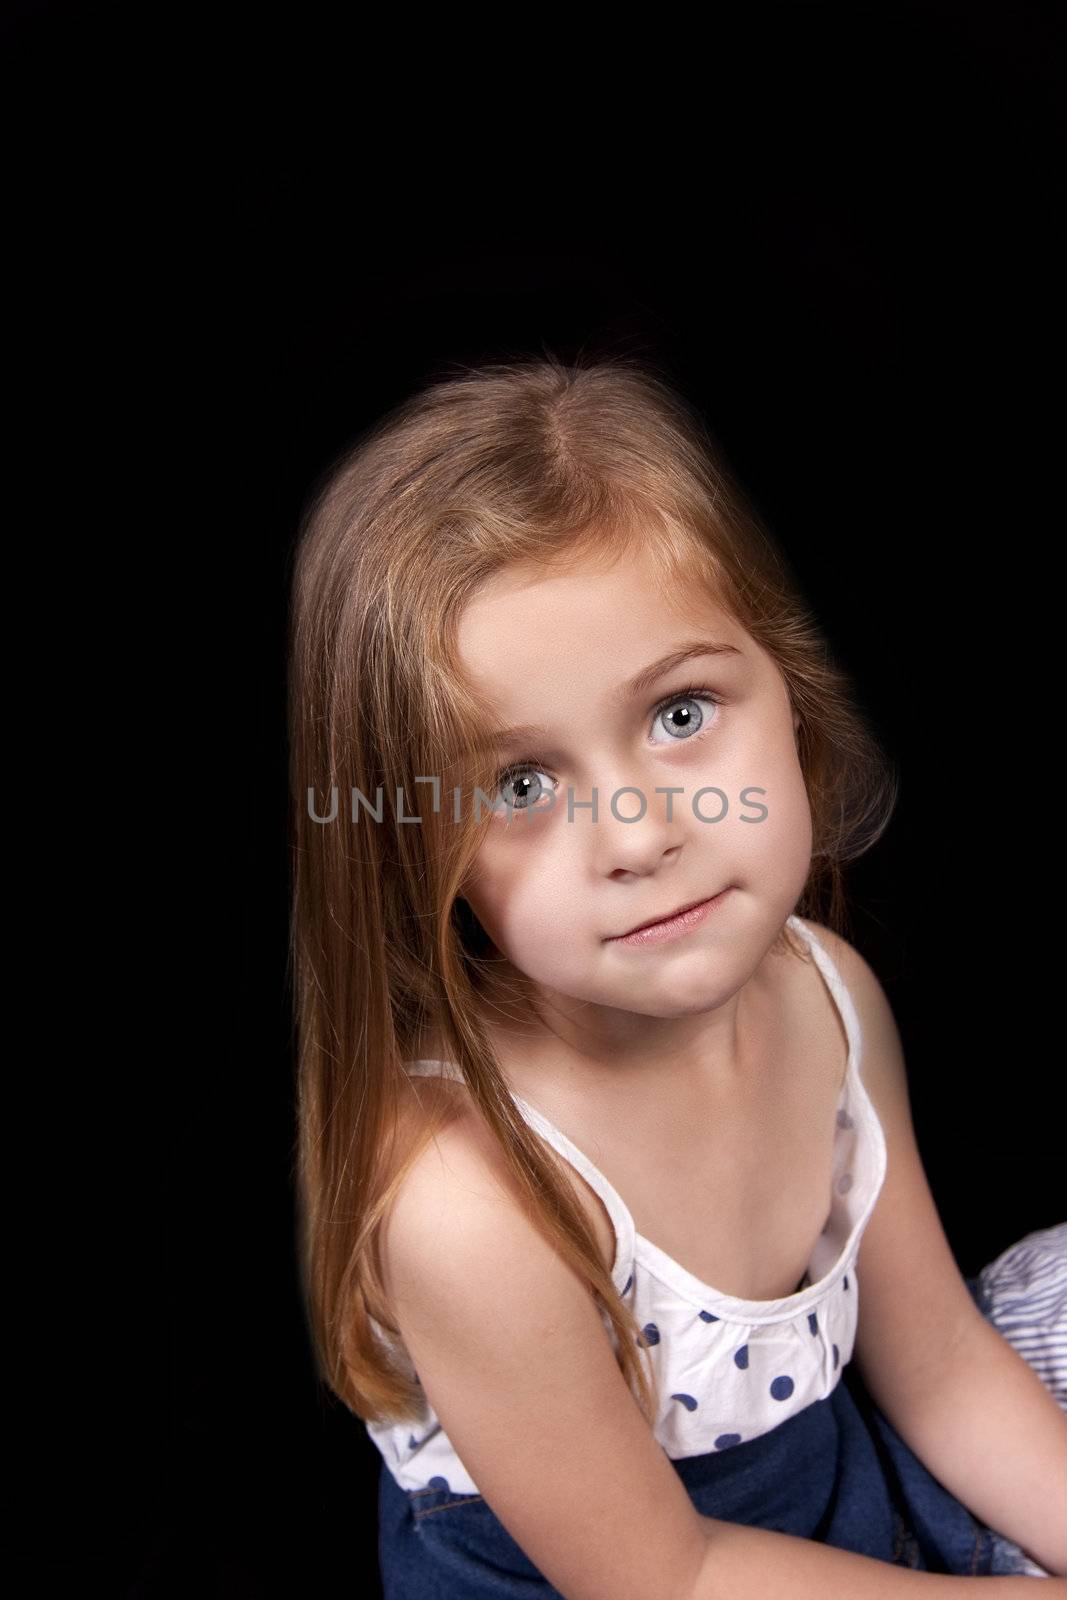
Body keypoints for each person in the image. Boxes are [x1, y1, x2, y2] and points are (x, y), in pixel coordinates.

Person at [287, 354, 1067, 1597]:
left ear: (790, 697)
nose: (644, 832)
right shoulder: (470, 1200)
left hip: (830, 1523)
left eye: (682, 712)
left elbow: (941, 1369)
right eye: (521, 786)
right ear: (417, 855)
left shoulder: (829, 998)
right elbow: (670, 1571)